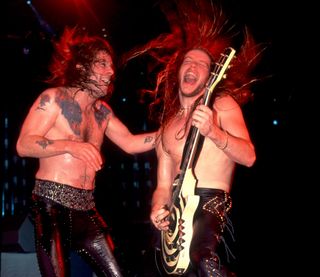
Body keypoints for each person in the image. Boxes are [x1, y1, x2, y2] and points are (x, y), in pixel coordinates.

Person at [121, 0, 265, 276]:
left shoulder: (221, 105)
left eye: (202, 64)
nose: (193, 66)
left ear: (211, 75)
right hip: (176, 212)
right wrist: (157, 209)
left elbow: (249, 156)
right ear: (178, 70)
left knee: (204, 260)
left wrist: (214, 131)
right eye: (189, 61)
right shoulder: (167, 126)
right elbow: (163, 185)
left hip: (211, 204)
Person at [16, 26, 157, 277]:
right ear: (81, 66)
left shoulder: (102, 112)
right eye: (102, 64)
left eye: (111, 66)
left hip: (86, 208)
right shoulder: (53, 98)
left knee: (118, 273)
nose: (111, 72)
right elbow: (24, 145)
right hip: (51, 205)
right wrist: (71, 145)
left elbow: (131, 143)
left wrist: (175, 132)